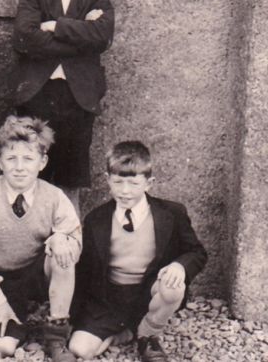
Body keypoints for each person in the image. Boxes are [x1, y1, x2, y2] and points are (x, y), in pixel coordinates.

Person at [69, 141, 207, 362]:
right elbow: (84, 271)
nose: (125, 191)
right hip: (108, 299)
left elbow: (197, 252)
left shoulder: (172, 213)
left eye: (133, 183)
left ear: (149, 183)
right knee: (80, 350)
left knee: (173, 287)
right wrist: (73, 316)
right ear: (107, 181)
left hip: (148, 292)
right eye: (117, 182)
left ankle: (148, 335)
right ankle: (128, 333)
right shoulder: (96, 219)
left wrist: (179, 266)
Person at [10, 0, 115, 209]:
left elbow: (102, 37)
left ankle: (69, 245)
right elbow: (24, 38)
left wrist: (54, 25)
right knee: (29, 170)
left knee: (71, 177)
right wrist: (80, 33)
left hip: (78, 98)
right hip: (37, 95)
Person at [0, 115, 80, 361]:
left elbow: (74, 237)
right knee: (2, 348)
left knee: (63, 250)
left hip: (37, 274)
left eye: (28, 159)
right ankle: (18, 325)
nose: (19, 167)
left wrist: (61, 237)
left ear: (42, 162)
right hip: (2, 278)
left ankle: (57, 334)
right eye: (11, 159)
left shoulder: (54, 196)